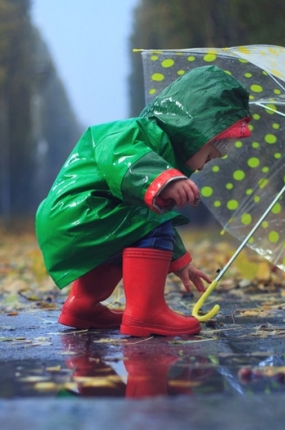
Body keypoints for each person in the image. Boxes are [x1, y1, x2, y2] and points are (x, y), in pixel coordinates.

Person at [35, 65, 251, 337]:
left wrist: (181, 261)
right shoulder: (140, 134)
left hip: (82, 219)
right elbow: (121, 157)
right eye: (208, 156)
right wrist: (165, 179)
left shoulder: (157, 146)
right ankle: (145, 312)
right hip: (82, 214)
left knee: (134, 224)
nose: (205, 166)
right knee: (149, 214)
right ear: (196, 133)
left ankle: (82, 306)